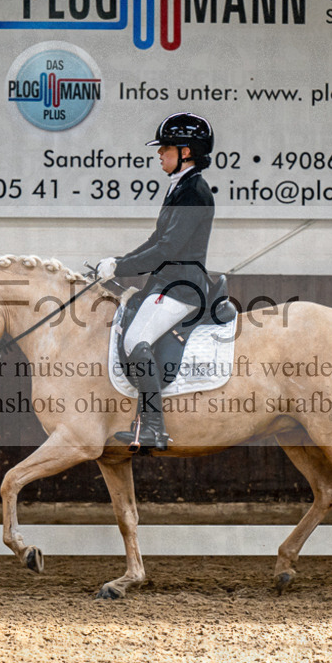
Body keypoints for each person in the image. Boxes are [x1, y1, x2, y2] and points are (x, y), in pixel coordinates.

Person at [97, 112, 216, 452]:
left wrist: (121, 268)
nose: (159, 154)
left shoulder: (194, 191)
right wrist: (118, 263)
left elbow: (167, 249)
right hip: (167, 282)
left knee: (136, 340)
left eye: (165, 148)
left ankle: (153, 427)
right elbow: (155, 240)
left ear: (186, 151)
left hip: (181, 286)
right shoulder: (180, 187)